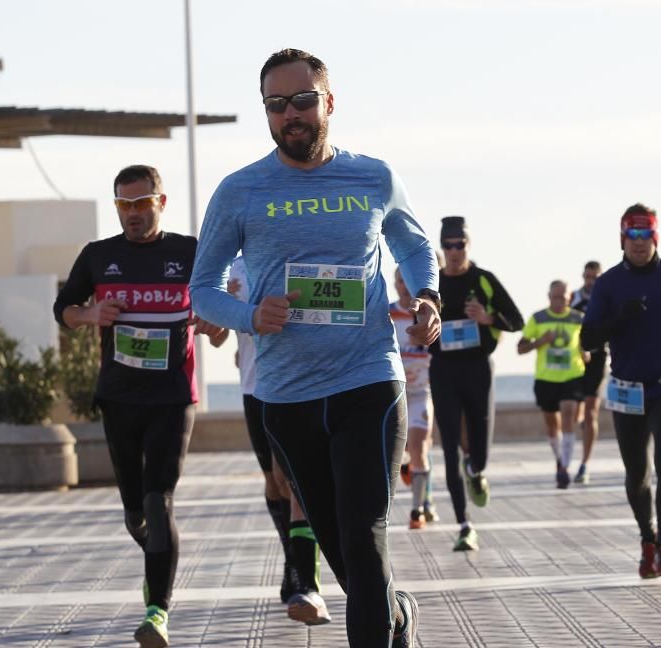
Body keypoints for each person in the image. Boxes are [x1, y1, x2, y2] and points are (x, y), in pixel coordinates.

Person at [188, 48, 440, 648]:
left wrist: (428, 295)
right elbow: (202, 290)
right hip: (287, 395)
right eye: (276, 105)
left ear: (329, 103)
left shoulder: (373, 177)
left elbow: (413, 245)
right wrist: (249, 315)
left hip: (368, 380)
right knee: (338, 548)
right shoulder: (241, 190)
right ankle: (395, 613)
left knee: (364, 533)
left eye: (302, 101)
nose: (290, 116)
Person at [53, 164, 226, 648]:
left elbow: (219, 318)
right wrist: (89, 313)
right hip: (119, 398)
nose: (132, 214)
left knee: (159, 497)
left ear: (161, 203)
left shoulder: (190, 252)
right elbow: (63, 309)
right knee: (136, 512)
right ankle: (155, 554)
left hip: (173, 398)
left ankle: (157, 611)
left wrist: (215, 326)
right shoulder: (98, 256)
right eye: (123, 205)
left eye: (141, 204)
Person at [581, 204, 661, 582]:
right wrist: (618, 318)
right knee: (637, 471)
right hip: (627, 389)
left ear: (655, 237)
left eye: (646, 235)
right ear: (623, 239)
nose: (639, 243)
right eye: (632, 236)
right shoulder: (609, 284)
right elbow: (587, 338)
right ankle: (647, 538)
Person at [226, 256, 329, 624]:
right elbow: (221, 331)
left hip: (291, 384)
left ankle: (306, 582)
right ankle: (291, 556)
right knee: (273, 483)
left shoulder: (297, 257)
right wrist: (218, 314)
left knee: (291, 480)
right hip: (252, 387)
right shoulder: (235, 268)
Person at [431, 216, 523, 552]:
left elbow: (517, 320)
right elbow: (417, 323)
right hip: (443, 369)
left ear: (468, 245)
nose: (454, 252)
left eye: (460, 245)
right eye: (448, 245)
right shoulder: (432, 282)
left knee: (479, 450)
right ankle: (464, 525)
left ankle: (477, 470)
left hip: (477, 369)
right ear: (442, 247)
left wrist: (487, 318)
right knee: (450, 447)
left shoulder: (483, 280)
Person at [518, 280, 586, 489]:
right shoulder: (538, 318)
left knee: (568, 415)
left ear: (570, 298)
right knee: (551, 423)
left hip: (572, 375)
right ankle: (559, 458)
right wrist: (541, 341)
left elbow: (587, 344)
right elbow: (521, 348)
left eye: (563, 297)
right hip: (546, 378)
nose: (559, 301)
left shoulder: (579, 319)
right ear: (549, 297)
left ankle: (565, 468)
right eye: (555, 297)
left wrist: (586, 352)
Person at [391, 267, 440, 529]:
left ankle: (417, 510)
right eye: (399, 281)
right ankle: (414, 475)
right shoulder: (386, 314)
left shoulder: (427, 316)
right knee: (403, 452)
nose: (403, 286)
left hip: (421, 392)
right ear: (394, 283)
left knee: (420, 447)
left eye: (407, 281)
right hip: (394, 394)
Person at [570, 260, 605, 484]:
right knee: (576, 413)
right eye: (587, 277)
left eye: (595, 278)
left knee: (591, 412)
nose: (591, 282)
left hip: (599, 358)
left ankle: (585, 464)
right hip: (574, 359)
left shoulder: (606, 297)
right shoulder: (573, 298)